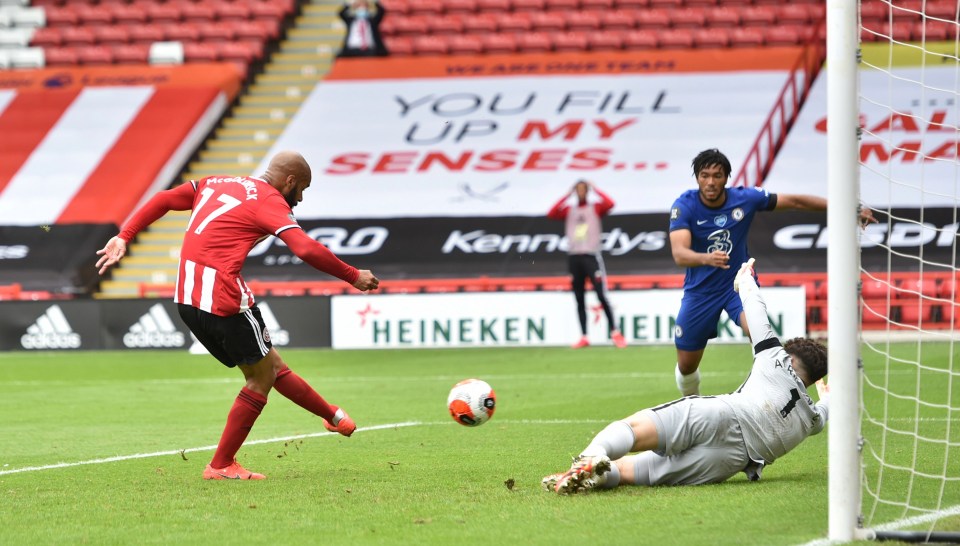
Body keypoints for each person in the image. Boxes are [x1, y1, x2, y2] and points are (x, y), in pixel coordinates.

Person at [95, 151, 380, 481]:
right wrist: (352, 275)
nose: (300, 198)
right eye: (301, 188)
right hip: (223, 299)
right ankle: (221, 464)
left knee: (268, 366)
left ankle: (332, 416)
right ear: (289, 181)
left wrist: (124, 235)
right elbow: (304, 248)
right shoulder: (270, 201)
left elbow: (164, 199)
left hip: (187, 299)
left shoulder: (217, 183)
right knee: (261, 377)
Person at [542, 258, 830, 494]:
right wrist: (828, 398)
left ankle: (587, 459)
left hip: (724, 415)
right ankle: (594, 478)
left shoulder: (775, 358)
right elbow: (825, 411)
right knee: (638, 472)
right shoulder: (811, 420)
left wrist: (746, 279)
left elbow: (757, 313)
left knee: (633, 429)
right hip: (730, 461)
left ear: (790, 358)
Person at [668, 148, 875, 396]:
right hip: (700, 293)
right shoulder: (685, 205)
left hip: (738, 284)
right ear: (697, 177)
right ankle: (692, 403)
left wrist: (847, 208)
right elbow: (680, 254)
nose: (711, 182)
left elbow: (796, 202)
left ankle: (771, 398)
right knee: (687, 366)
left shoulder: (745, 198)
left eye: (717, 175)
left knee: (759, 335)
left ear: (727, 177)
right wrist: (706, 258)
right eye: (705, 175)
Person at [547, 180, 627, 349]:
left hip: (591, 256)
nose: (581, 192)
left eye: (584, 189)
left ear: (588, 191)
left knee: (601, 294)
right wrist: (567, 195)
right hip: (574, 257)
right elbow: (552, 213)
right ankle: (584, 336)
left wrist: (596, 189)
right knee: (579, 297)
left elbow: (610, 203)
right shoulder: (570, 210)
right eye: (578, 190)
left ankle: (615, 332)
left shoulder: (595, 208)